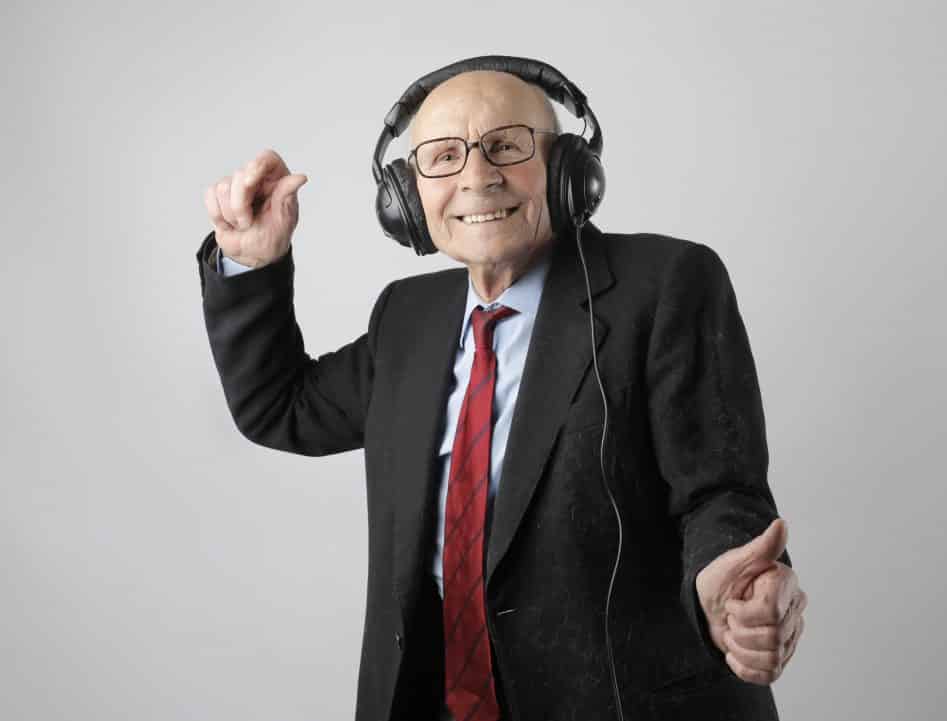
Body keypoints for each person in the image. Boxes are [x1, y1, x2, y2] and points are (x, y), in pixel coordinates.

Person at [196, 64, 807, 721]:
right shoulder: (406, 316)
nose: (476, 175)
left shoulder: (666, 285)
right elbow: (281, 407)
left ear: (568, 169)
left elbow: (719, 489)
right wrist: (252, 262)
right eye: (443, 156)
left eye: (508, 145)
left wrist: (729, 580)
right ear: (405, 193)